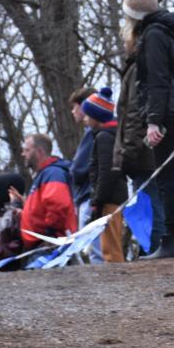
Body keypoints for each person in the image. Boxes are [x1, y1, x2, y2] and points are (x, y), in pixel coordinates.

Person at [123, 0, 174, 258]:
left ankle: (170, 241)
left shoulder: (154, 35)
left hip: (169, 113)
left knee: (168, 178)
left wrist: (153, 121)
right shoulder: (170, 32)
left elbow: (157, 80)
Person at [115, 7, 164, 255]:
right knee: (149, 204)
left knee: (150, 205)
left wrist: (129, 152)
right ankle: (151, 249)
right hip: (145, 151)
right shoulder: (136, 67)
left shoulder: (137, 68)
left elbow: (134, 112)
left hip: (143, 153)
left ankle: (154, 250)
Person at [82, 87, 127, 262]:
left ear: (96, 117)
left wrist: (97, 200)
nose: (84, 119)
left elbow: (106, 172)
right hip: (109, 198)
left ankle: (117, 279)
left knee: (110, 246)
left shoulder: (104, 138)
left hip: (110, 199)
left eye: (87, 115)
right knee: (107, 244)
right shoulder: (105, 136)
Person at [19, 133, 77, 249]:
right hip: (41, 244)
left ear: (39, 152)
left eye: (27, 150)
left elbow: (58, 205)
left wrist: (50, 233)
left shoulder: (53, 173)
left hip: (49, 244)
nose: (23, 154)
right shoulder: (42, 176)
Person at [68, 86, 104, 263]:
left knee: (96, 249)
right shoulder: (93, 133)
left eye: (74, 107)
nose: (72, 112)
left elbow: (78, 170)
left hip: (90, 197)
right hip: (91, 196)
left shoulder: (93, 133)